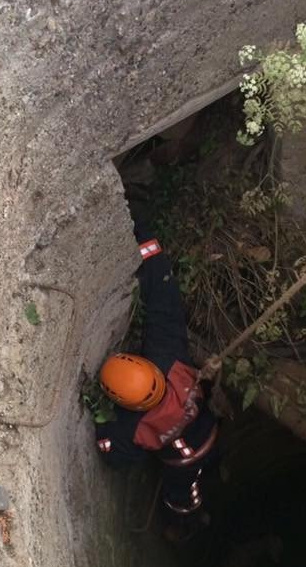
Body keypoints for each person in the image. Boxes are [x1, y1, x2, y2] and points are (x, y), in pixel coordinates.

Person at [93, 224, 219, 535]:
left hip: (185, 460)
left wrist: (103, 429)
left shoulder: (132, 428)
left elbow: (114, 453)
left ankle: (184, 519)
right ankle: (211, 484)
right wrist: (147, 243)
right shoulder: (169, 362)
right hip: (209, 428)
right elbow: (165, 306)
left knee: (183, 495)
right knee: (210, 468)